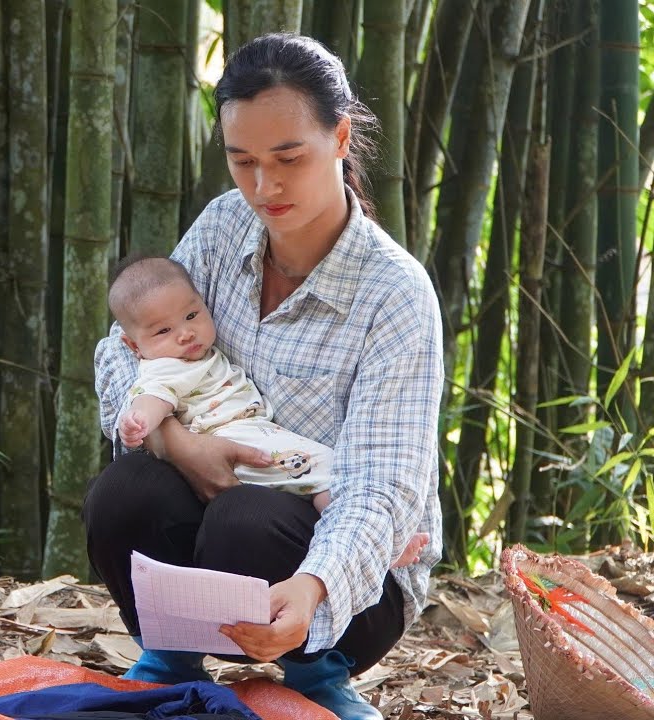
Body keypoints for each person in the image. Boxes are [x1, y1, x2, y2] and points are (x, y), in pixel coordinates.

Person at [85, 33, 443, 720]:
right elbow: (125, 352)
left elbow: (381, 488)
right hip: (216, 512)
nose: (263, 187)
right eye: (241, 161)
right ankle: (170, 657)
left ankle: (317, 679)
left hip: (347, 578)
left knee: (245, 520)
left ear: (340, 137)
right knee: (123, 491)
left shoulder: (395, 294)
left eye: (287, 159)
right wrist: (178, 446)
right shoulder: (224, 228)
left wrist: (314, 585)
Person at [108, 255, 430, 571]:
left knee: (317, 477)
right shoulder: (166, 368)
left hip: (250, 434)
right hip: (233, 441)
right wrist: (140, 421)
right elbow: (152, 396)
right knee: (327, 470)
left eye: (192, 315)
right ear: (134, 347)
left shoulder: (194, 355)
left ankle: (354, 545)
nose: (185, 333)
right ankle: (377, 548)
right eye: (163, 331)